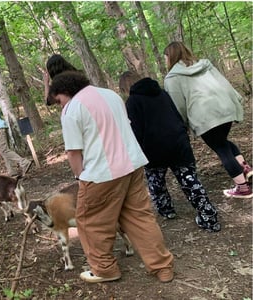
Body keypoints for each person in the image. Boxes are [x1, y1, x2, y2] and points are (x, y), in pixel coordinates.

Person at [48, 71, 174, 284]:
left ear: (65, 92)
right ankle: (162, 267)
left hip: (101, 174)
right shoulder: (111, 95)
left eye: (58, 100)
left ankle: (105, 270)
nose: (60, 105)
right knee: (140, 217)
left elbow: (73, 152)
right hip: (132, 165)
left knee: (90, 223)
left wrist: (80, 177)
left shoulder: (72, 109)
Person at [119, 71, 221, 232]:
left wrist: (136, 151)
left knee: (156, 182)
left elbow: (135, 130)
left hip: (153, 149)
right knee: (190, 181)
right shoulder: (162, 93)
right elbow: (176, 114)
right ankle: (208, 216)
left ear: (125, 87)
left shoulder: (132, 102)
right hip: (178, 142)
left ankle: (166, 210)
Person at [163, 41, 252, 199]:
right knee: (223, 142)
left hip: (204, 116)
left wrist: (183, 124)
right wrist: (236, 100)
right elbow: (223, 83)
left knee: (221, 148)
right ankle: (245, 169)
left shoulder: (172, 77)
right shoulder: (205, 65)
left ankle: (243, 188)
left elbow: (178, 105)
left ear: (170, 57)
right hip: (225, 107)